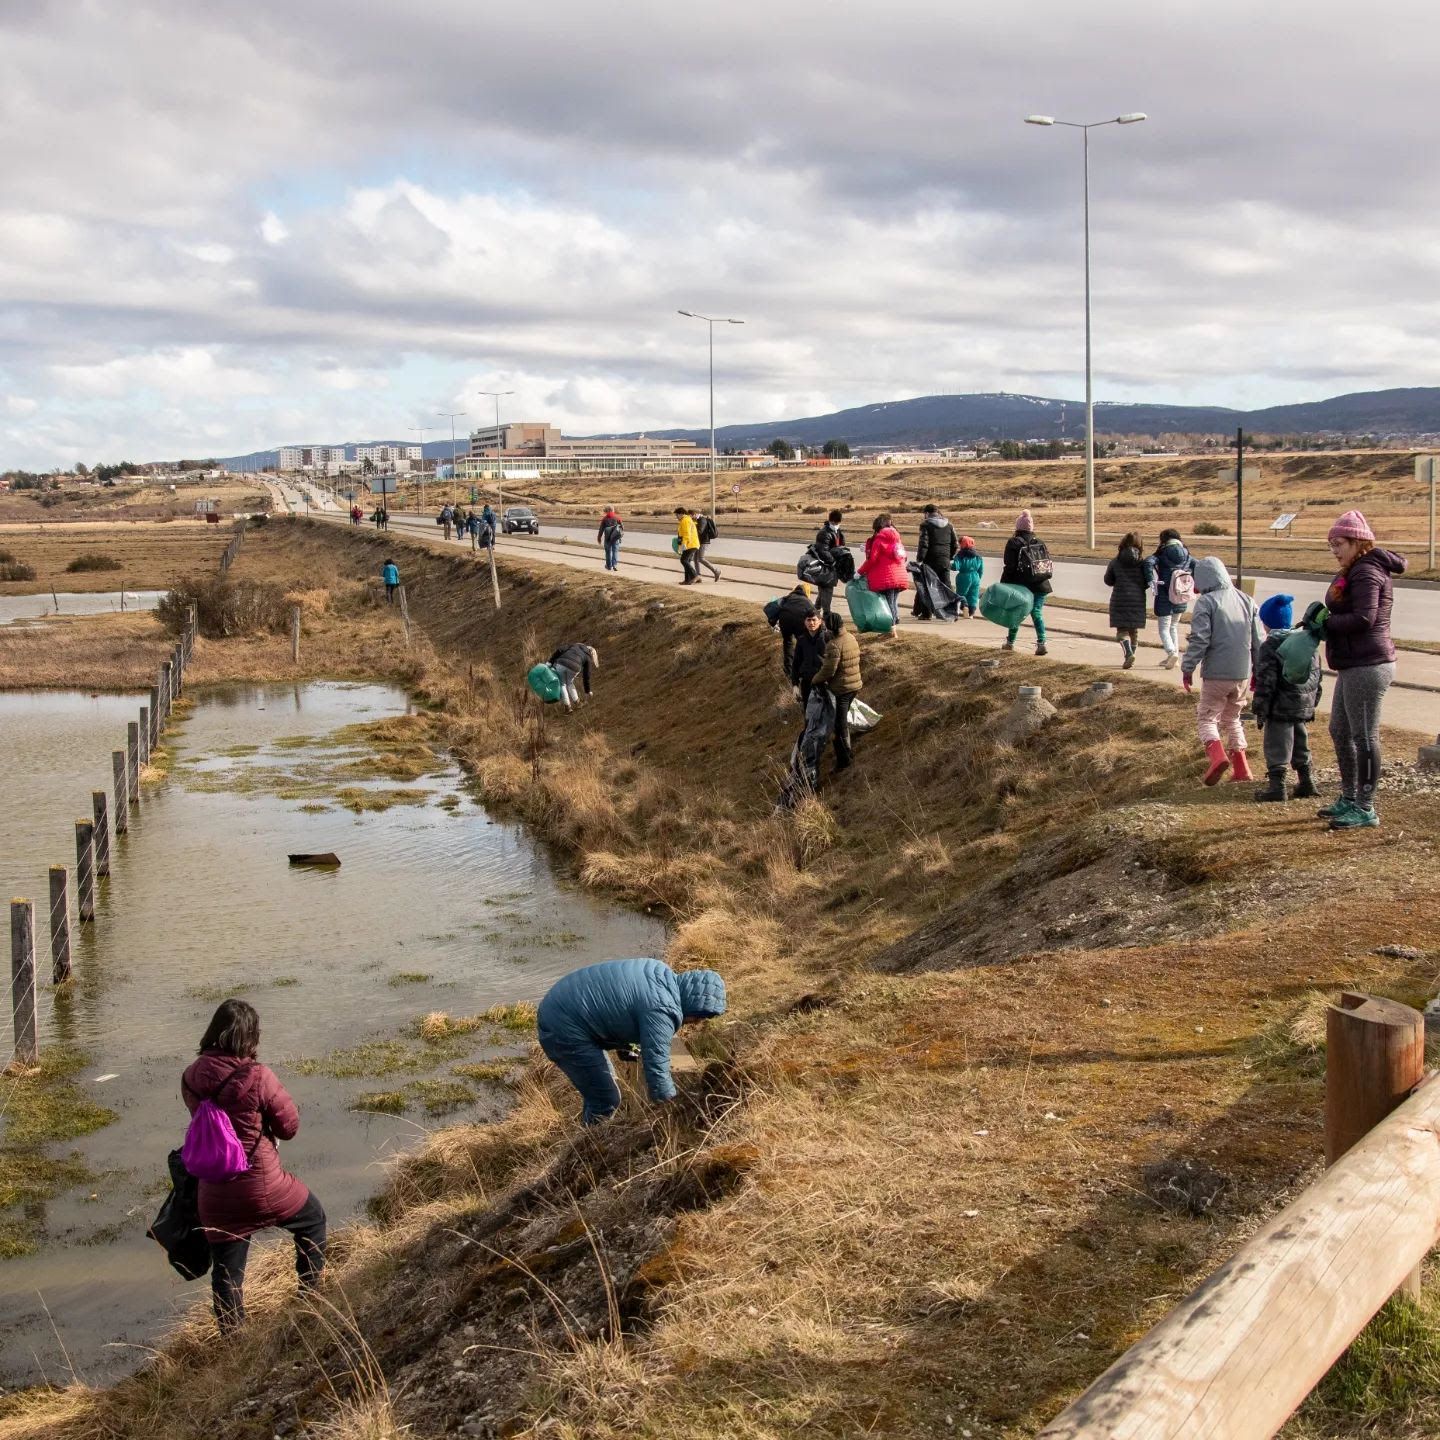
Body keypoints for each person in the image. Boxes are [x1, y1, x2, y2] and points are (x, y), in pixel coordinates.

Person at [181, 999, 326, 1333]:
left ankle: (234, 1338)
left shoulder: (191, 1076)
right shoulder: (258, 1076)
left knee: (227, 1271)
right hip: (262, 1185)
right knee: (313, 1219)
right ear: (250, 1037)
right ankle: (311, 1301)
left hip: (213, 1191)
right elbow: (289, 1129)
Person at [537, 959, 727, 1125]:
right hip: (564, 1027)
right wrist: (674, 1111)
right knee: (606, 1099)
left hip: (562, 1004)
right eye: (700, 1018)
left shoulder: (659, 972)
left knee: (601, 1085)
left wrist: (626, 1046)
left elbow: (619, 1006)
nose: (696, 1023)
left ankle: (589, 1131)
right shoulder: (663, 1009)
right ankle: (589, 1153)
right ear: (694, 1007)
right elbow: (657, 1070)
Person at [1319, 510, 1407, 830]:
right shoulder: (1353, 568)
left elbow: (1364, 618)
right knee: (1339, 730)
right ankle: (1349, 797)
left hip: (1369, 664)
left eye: (1339, 543)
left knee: (1364, 736)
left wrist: (1326, 623)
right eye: (1331, 545)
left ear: (1358, 541)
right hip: (1352, 662)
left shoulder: (1367, 571)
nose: (1335, 550)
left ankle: (1366, 807)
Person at [1180, 557, 1263, 786]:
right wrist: (1258, 670)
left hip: (1216, 672)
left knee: (1207, 718)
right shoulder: (1247, 600)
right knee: (1233, 718)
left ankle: (1217, 758)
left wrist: (1188, 668)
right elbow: (1258, 640)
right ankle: (1242, 768)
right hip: (1242, 673)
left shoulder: (1206, 602)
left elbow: (1200, 639)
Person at [1253, 593, 1321, 803]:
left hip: (1279, 705)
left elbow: (1267, 681)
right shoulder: (1304, 642)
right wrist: (1313, 701)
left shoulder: (1271, 646)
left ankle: (1277, 786)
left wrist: (1260, 707)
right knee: (1300, 740)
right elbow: (1317, 674)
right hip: (1303, 703)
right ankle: (1307, 781)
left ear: (1266, 623)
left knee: (1277, 743)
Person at [811, 611, 862, 774]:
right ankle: (846, 753)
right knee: (842, 721)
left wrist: (815, 680)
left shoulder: (834, 645)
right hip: (854, 685)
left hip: (842, 688)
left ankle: (844, 760)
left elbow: (829, 670)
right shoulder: (851, 638)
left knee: (839, 726)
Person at [999, 510, 1051, 655]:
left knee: (1016, 613)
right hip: (1041, 584)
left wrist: (1003, 585)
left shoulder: (1013, 542)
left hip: (1021, 585)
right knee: (1037, 612)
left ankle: (1010, 643)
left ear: (1018, 528)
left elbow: (1009, 566)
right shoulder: (1039, 542)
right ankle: (1042, 642)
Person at [1145, 529, 1195, 669]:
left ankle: (1171, 652)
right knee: (1173, 626)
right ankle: (1174, 658)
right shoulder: (1186, 553)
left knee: (1164, 628)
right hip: (1181, 594)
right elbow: (1197, 565)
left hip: (1165, 594)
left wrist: (1151, 581)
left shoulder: (1162, 552)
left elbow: (1148, 562)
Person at [857, 513, 909, 629]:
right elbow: (903, 557)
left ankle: (892, 624)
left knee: (888, 602)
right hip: (899, 575)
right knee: (893, 600)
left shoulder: (879, 540)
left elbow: (872, 560)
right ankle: (895, 619)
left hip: (886, 576)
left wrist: (859, 572)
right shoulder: (897, 539)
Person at [1104, 532, 1149, 669]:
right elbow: (1147, 582)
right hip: (1138, 600)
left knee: (1122, 631)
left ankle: (1128, 654)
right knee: (1133, 630)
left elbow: (1108, 580)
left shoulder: (1115, 561)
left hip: (1120, 599)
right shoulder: (1142, 563)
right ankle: (1131, 656)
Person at [913, 504, 958, 617]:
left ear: (927, 513)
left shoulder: (925, 525)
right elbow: (955, 544)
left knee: (927, 585)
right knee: (946, 585)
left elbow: (924, 544)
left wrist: (920, 559)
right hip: (944, 559)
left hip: (930, 560)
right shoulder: (949, 525)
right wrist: (949, 556)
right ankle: (951, 611)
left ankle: (926, 613)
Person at [765, 585, 816, 678]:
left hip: (785, 620)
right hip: (800, 621)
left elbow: (774, 609)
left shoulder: (786, 598)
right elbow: (815, 615)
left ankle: (788, 670)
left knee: (788, 642)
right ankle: (802, 669)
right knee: (802, 642)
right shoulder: (807, 601)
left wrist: (773, 623)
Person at [812, 510, 848, 617]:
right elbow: (823, 551)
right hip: (825, 567)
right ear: (830, 521)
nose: (836, 525)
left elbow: (842, 547)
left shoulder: (838, 532)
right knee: (827, 590)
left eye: (837, 523)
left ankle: (815, 612)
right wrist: (834, 562)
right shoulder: (824, 533)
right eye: (834, 523)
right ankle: (827, 616)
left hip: (832, 567)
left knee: (823, 591)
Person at [790, 608, 828, 708]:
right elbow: (796, 663)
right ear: (805, 622)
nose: (811, 623)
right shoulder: (801, 640)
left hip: (824, 682)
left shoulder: (827, 638)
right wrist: (795, 684)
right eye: (808, 620)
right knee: (809, 715)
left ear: (820, 621)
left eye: (814, 620)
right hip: (807, 683)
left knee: (825, 715)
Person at [548, 643, 599, 710]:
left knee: (562, 684)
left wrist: (550, 662)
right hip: (575, 667)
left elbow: (560, 650)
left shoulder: (575, 645)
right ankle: (578, 703)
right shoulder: (588, 657)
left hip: (561, 663)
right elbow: (586, 676)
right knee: (569, 683)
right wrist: (587, 691)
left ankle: (568, 707)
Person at [952, 536, 983, 618]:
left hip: (964, 576)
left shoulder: (960, 555)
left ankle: (964, 606)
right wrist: (978, 578)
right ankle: (971, 613)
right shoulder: (978, 556)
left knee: (961, 593)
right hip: (975, 577)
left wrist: (948, 565)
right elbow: (981, 570)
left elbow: (956, 566)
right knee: (973, 595)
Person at [674, 506, 701, 585]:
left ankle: (695, 576)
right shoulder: (685, 520)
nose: (676, 517)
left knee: (684, 560)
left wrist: (683, 546)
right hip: (691, 544)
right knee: (687, 561)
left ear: (681, 514)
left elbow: (686, 535)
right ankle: (687, 580)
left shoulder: (685, 521)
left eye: (677, 515)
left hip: (690, 544)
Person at [694, 510, 722, 582]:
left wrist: (692, 529)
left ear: (695, 514)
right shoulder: (697, 520)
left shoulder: (702, 520)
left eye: (691, 515)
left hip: (704, 542)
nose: (691, 517)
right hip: (698, 541)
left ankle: (716, 571)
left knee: (701, 558)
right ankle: (698, 576)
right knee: (695, 559)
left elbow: (700, 531)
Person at [597, 506, 624, 571]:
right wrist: (620, 536)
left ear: (607, 511)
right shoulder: (617, 517)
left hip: (607, 538)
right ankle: (614, 565)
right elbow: (622, 528)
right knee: (615, 551)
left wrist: (599, 538)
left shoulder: (604, 519)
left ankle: (608, 566)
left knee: (608, 552)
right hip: (615, 538)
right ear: (612, 510)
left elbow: (601, 530)